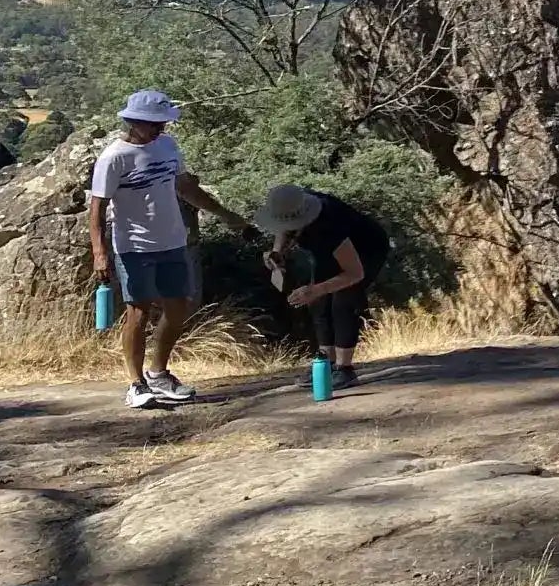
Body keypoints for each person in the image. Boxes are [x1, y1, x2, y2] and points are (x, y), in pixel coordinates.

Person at [86, 89, 252, 408]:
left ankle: (159, 374)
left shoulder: (168, 146)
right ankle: (136, 384)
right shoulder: (113, 158)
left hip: (172, 242)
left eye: (162, 123)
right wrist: (99, 252)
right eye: (153, 124)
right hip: (133, 245)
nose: (160, 129)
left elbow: (186, 187)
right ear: (133, 122)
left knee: (178, 308)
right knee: (139, 311)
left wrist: (228, 216)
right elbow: (96, 209)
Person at [252, 184, 393, 386]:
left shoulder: (328, 226)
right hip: (329, 250)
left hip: (366, 248)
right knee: (318, 303)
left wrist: (317, 289)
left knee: (343, 297)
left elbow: (354, 273)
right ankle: (325, 363)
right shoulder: (293, 205)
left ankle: (344, 369)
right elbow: (284, 225)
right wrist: (277, 252)